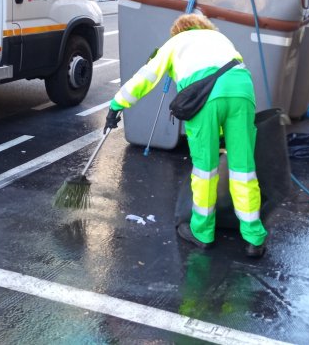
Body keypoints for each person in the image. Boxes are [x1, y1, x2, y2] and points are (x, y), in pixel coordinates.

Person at [104, 13, 268, 257]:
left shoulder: (174, 43)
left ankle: (202, 233)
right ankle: (254, 237)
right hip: (242, 89)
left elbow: (146, 78)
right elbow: (228, 75)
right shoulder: (219, 37)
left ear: (178, 31)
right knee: (243, 168)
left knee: (206, 170)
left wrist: (117, 105)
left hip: (204, 98)